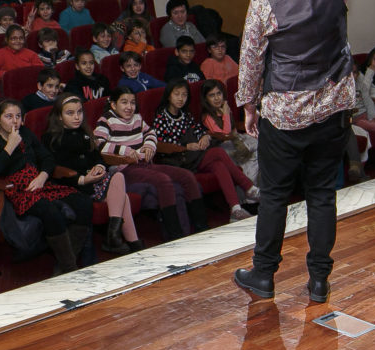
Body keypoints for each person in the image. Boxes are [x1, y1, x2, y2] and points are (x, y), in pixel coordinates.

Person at [232, 0, 372, 304]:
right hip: (333, 113)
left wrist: (248, 105)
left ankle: (264, 275)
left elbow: (251, 61)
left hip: (285, 117)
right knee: (321, 195)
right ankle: (318, 281)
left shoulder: (263, 3)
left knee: (274, 196)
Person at [0, 100, 93, 274]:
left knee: (83, 202)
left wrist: (43, 176)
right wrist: (10, 146)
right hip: (13, 189)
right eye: (9, 117)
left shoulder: (25, 133)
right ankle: (71, 267)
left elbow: (47, 158)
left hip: (39, 181)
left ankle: (65, 263)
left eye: (18, 116)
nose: (14, 121)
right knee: (50, 210)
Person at [94, 87, 203, 239]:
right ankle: (174, 235)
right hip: (125, 168)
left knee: (186, 176)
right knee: (163, 180)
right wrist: (125, 150)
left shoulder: (137, 118)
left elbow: (151, 133)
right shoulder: (106, 120)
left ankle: (201, 227)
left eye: (132, 103)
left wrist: (149, 145)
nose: (129, 107)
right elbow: (98, 144)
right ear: (113, 105)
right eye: (124, 102)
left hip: (146, 164)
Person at [44, 94, 141, 254]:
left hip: (94, 180)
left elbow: (98, 157)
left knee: (118, 180)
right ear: (60, 117)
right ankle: (127, 242)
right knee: (122, 193)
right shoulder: (51, 138)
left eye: (80, 112)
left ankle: (123, 240)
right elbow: (55, 169)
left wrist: (99, 166)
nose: (77, 117)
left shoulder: (86, 132)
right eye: (70, 113)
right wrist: (82, 179)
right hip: (75, 184)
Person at [154, 80, 259, 222]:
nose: (180, 98)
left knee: (219, 165)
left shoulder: (185, 114)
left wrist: (204, 137)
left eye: (184, 95)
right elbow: (160, 144)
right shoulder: (161, 117)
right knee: (218, 152)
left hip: (194, 156)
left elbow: (198, 130)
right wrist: (185, 147)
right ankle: (248, 187)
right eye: (177, 94)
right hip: (179, 160)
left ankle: (235, 209)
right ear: (168, 96)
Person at [201, 79, 259, 184]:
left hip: (235, 139)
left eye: (219, 93)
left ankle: (260, 186)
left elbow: (233, 130)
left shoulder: (225, 108)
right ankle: (249, 191)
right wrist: (226, 114)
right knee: (243, 156)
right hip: (222, 146)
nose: (217, 98)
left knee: (257, 146)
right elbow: (225, 135)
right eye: (212, 95)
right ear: (206, 99)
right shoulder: (207, 116)